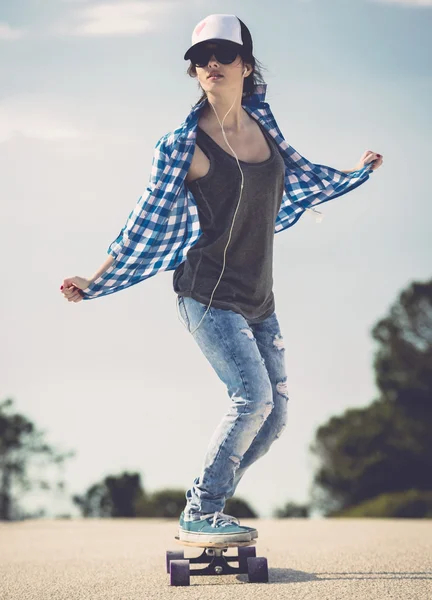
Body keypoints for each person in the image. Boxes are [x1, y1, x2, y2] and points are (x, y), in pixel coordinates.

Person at [61, 14, 383, 543]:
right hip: (207, 296)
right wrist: (93, 279)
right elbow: (141, 221)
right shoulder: (183, 145)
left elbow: (301, 179)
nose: (211, 63)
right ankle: (202, 508)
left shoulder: (265, 127)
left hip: (259, 298)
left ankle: (205, 502)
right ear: (193, 71)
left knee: (275, 417)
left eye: (223, 54)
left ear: (246, 66)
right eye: (200, 57)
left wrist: (353, 174)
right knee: (251, 399)